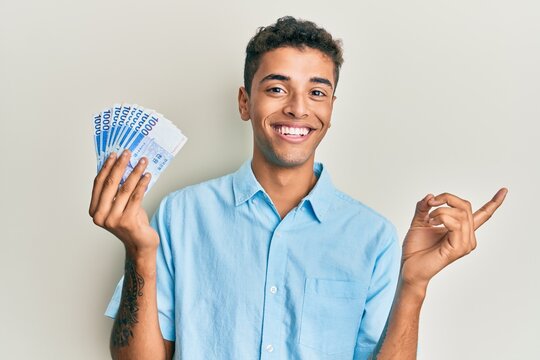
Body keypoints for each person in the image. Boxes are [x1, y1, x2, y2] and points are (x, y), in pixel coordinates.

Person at [89, 16, 507, 360]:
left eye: (317, 92)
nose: (297, 107)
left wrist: (414, 285)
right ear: (244, 102)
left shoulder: (373, 236)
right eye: (276, 88)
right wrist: (139, 254)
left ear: (330, 109)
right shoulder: (180, 215)